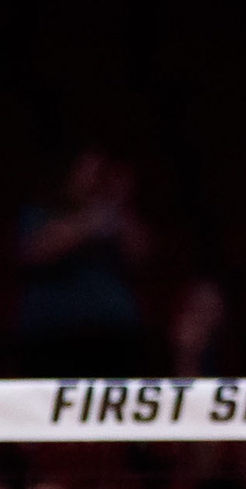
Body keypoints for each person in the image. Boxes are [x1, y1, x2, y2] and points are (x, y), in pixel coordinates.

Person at [13, 147, 149, 376]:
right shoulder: (40, 212)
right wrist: (89, 223)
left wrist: (117, 206)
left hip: (114, 335)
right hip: (52, 337)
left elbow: (142, 256)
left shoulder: (118, 215)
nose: (92, 182)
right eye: (86, 173)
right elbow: (35, 252)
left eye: (99, 174)